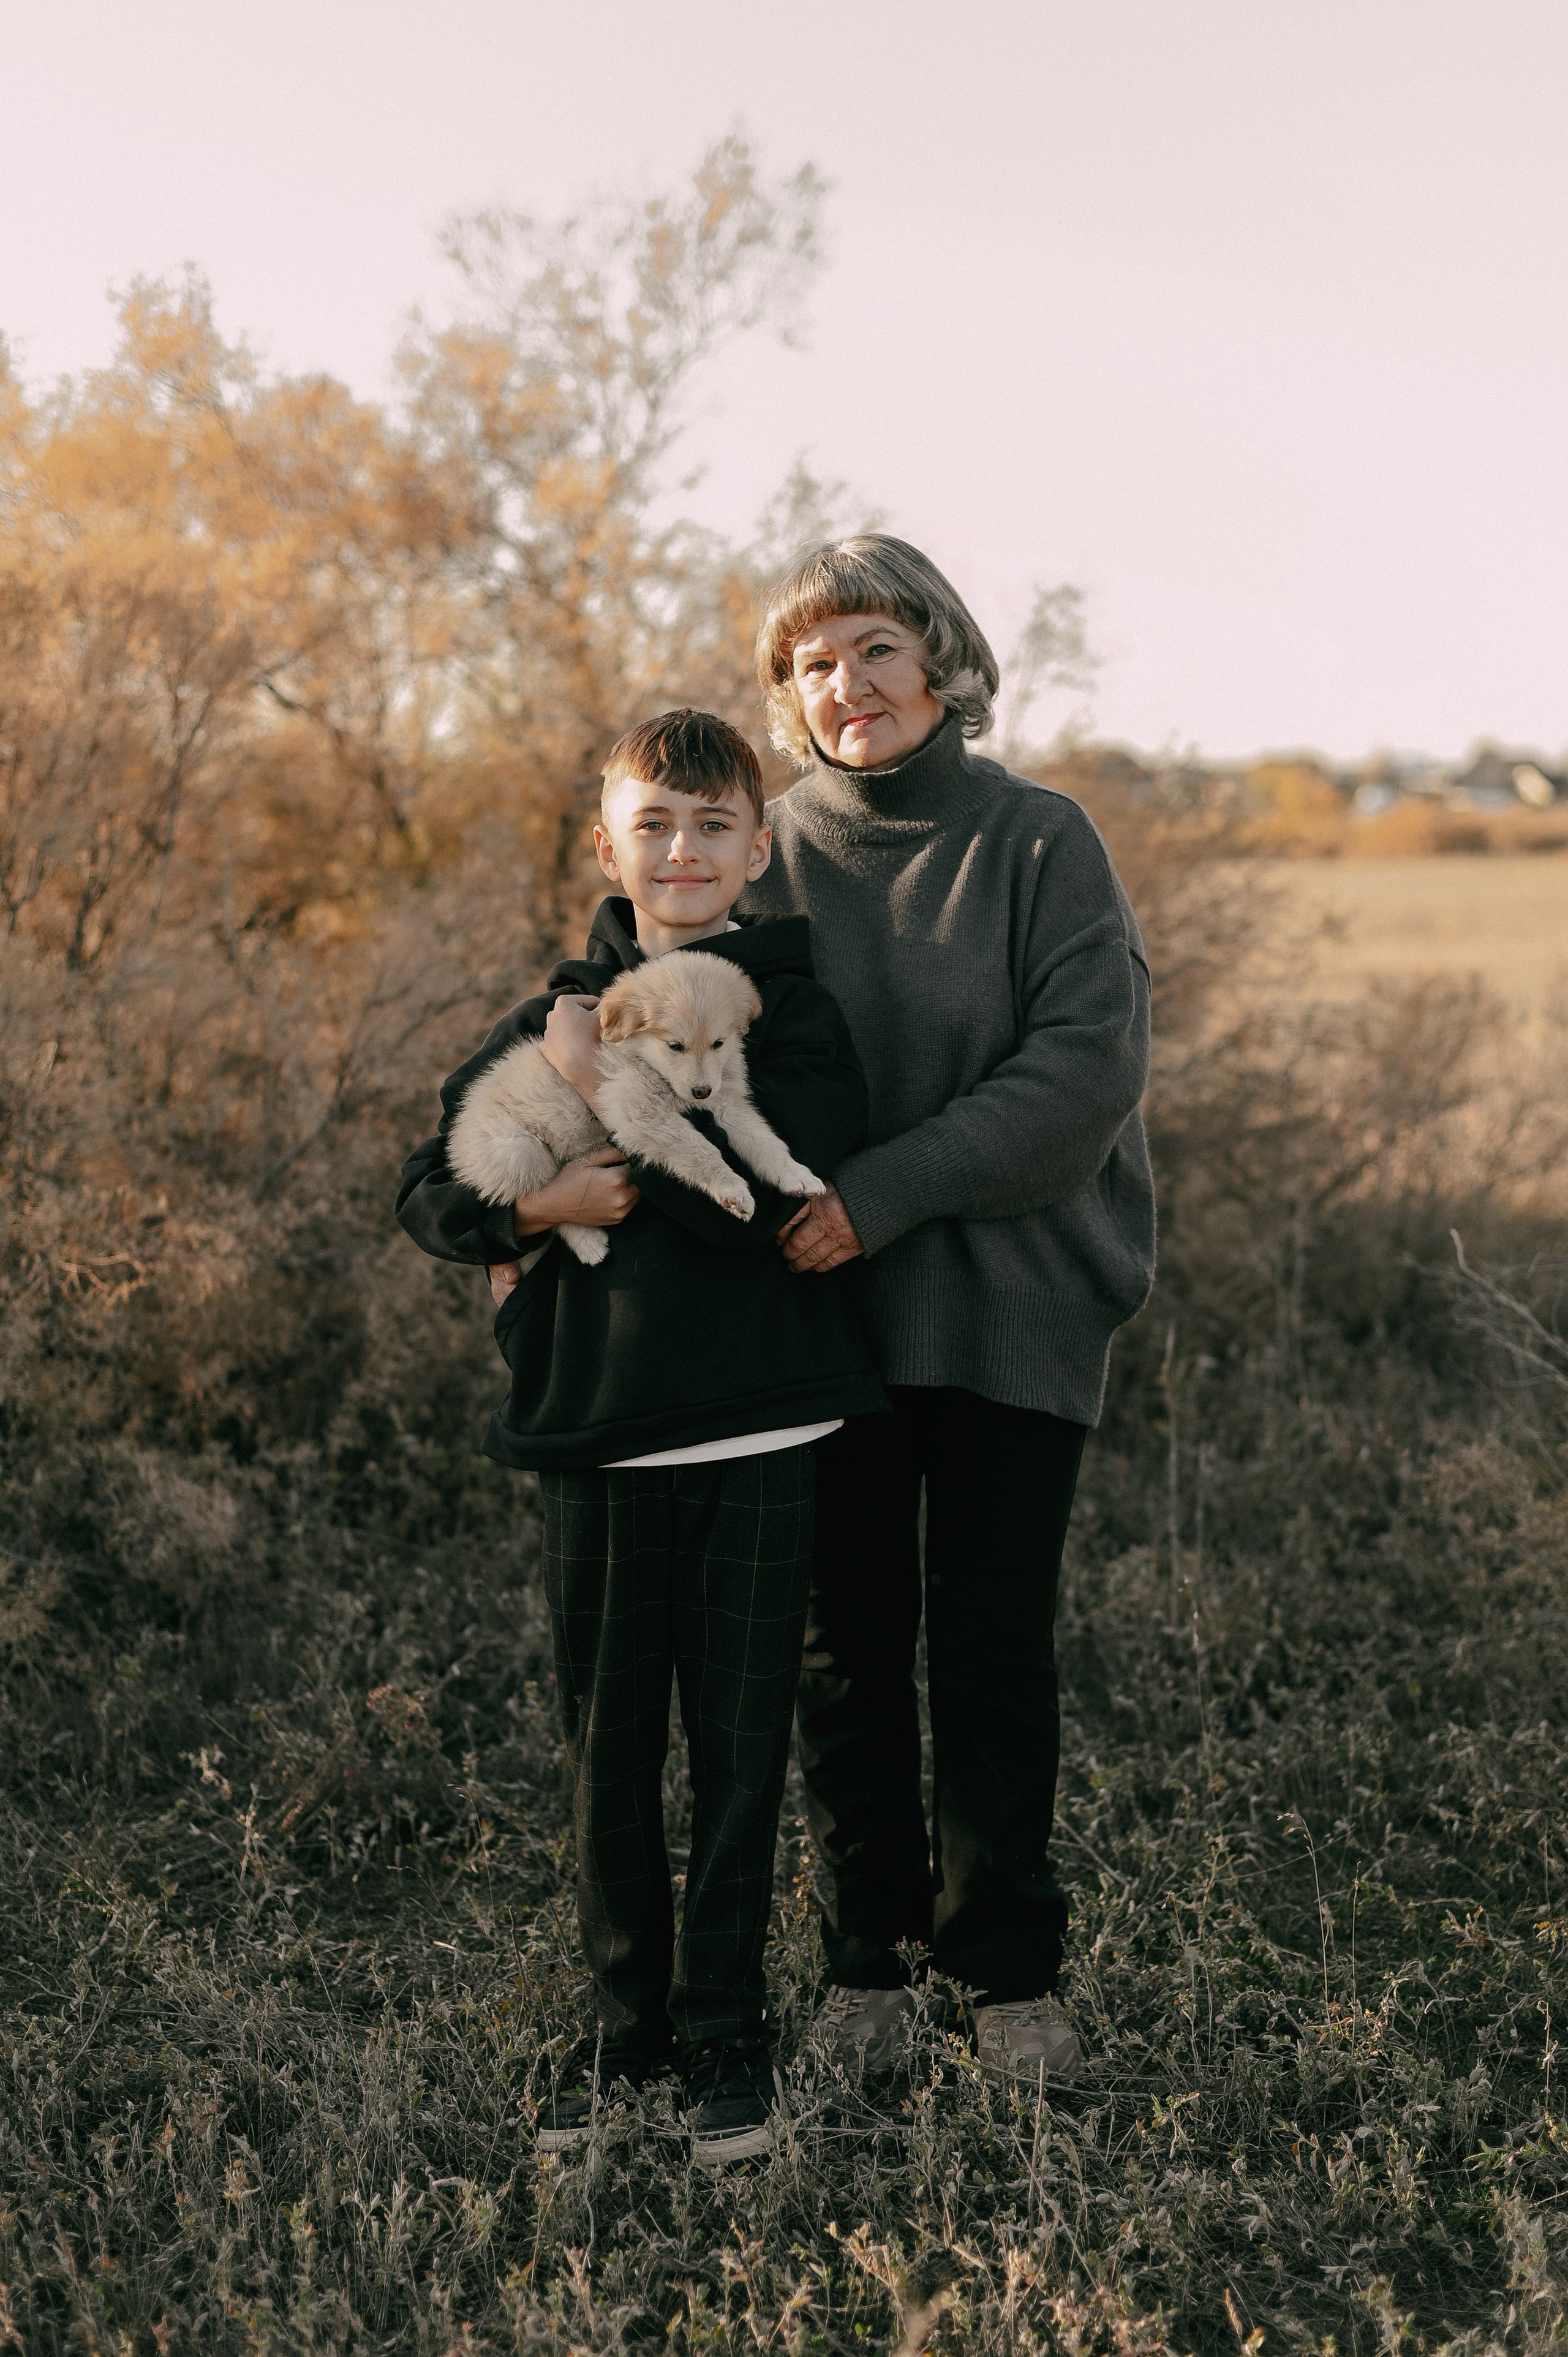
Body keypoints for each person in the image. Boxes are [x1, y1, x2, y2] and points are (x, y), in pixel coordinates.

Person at [396, 710, 884, 2162]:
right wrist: (538, 1207)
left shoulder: (785, 1006)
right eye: (651, 825)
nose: (682, 851)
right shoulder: (558, 1009)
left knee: (739, 1750)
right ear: (605, 844)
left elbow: (769, 1193)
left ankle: (728, 2036)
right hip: (597, 1437)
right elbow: (428, 1192)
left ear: (757, 846)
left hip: (759, 1426)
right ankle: (629, 2039)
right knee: (607, 1754)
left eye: (713, 825)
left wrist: (597, 1101)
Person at [741, 537, 1156, 2082]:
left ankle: (1007, 1980)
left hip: (1008, 1302)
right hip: (817, 1322)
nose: (842, 687)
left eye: (869, 649)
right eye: (809, 665)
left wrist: (879, 1197)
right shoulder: (760, 853)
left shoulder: (1040, 841)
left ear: (938, 662)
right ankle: (868, 1969)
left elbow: (1081, 1076)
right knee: (840, 1650)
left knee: (987, 1642)